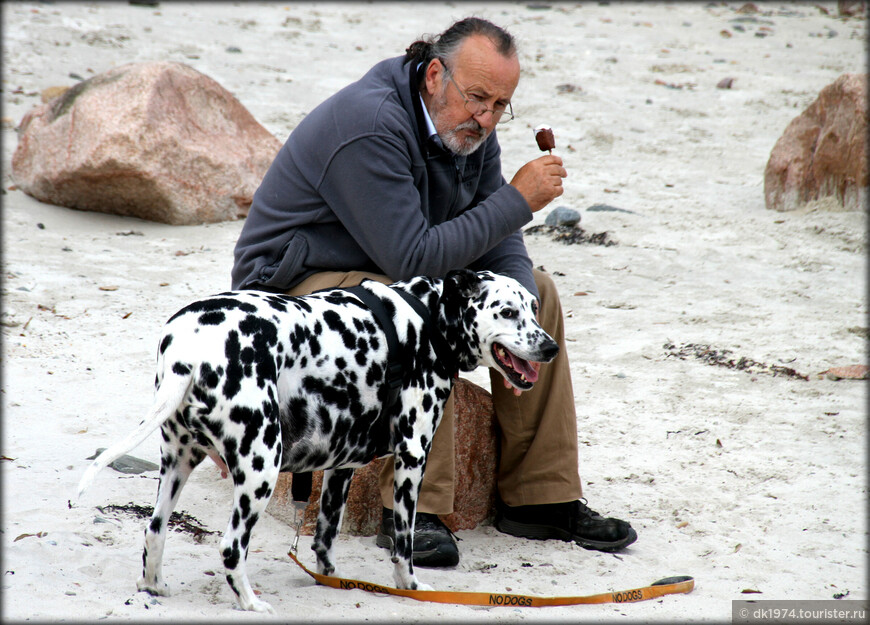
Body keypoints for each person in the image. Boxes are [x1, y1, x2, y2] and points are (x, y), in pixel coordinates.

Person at [232, 17, 637, 567]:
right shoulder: (371, 123)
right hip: (288, 292)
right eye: (476, 98)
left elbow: (496, 242)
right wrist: (519, 199)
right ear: (434, 75)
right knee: (417, 307)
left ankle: (542, 497)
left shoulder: (470, 128)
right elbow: (413, 262)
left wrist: (514, 322)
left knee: (539, 291)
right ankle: (416, 511)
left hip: (381, 268)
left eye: (500, 105)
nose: (486, 117)